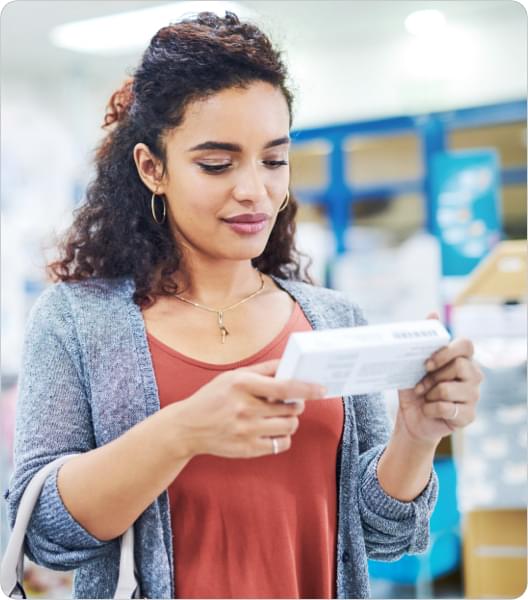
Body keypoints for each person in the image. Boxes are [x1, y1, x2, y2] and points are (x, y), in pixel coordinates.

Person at [5, 11, 482, 600]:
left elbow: (382, 537)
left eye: (274, 160)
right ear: (152, 168)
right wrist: (182, 431)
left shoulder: (333, 318)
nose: (254, 189)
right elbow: (47, 535)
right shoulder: (78, 320)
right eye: (217, 163)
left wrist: (416, 434)